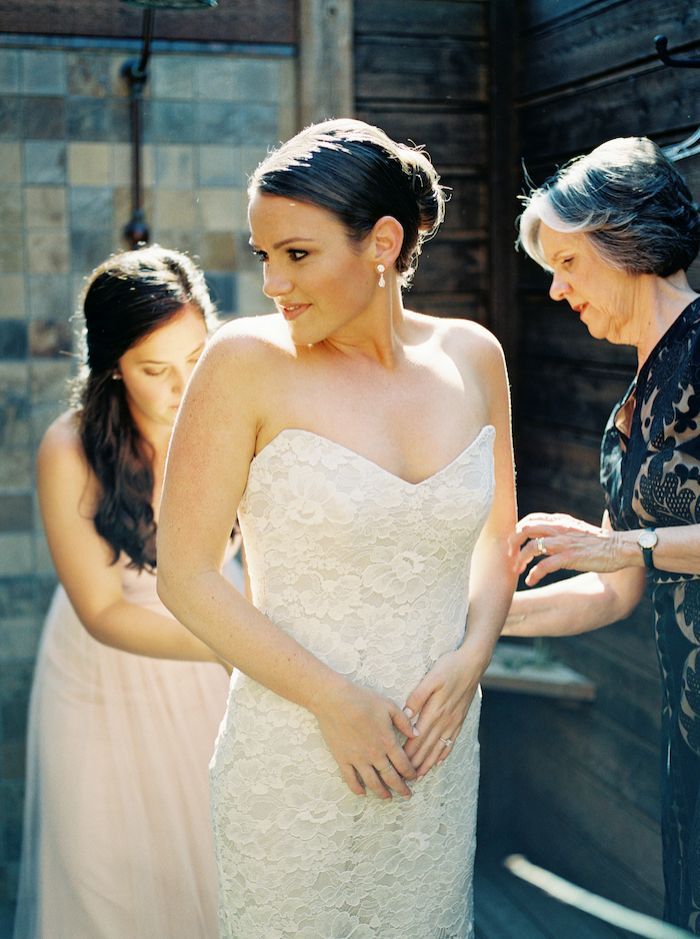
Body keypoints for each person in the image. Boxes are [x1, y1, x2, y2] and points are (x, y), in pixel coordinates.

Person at [156, 118, 517, 938]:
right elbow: (185, 574)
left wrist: (473, 656)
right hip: (296, 759)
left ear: (383, 242)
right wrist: (334, 699)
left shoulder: (474, 357)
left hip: (435, 758)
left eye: (297, 254)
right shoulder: (243, 363)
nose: (273, 283)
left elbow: (498, 542)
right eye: (264, 255)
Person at [504, 137, 700, 932]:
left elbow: (626, 553)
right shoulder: (627, 412)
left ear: (627, 243)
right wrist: (471, 618)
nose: (555, 289)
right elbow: (614, 592)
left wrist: (627, 544)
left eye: (568, 263)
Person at [13, 245, 236, 939]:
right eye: (155, 370)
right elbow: (103, 610)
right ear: (113, 366)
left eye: (196, 357)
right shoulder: (69, 448)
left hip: (214, 669)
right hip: (106, 674)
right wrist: (237, 646)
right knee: (104, 882)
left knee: (210, 869)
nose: (183, 386)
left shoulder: (235, 417)